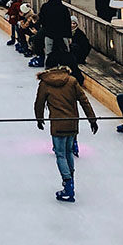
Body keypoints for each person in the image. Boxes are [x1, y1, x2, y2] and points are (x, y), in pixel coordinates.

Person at [34, 50, 98, 203]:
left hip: (57, 124)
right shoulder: (71, 81)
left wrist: (39, 119)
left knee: (60, 154)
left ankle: (68, 187)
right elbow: (84, 101)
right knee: (69, 151)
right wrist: (92, 119)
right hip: (72, 123)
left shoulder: (45, 83)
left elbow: (39, 103)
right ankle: (71, 182)